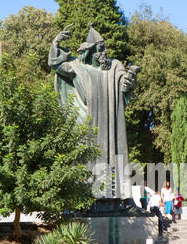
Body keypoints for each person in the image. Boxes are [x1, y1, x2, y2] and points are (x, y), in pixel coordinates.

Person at [48, 25, 139, 198]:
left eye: (104, 48)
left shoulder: (114, 66)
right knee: (87, 159)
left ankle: (120, 199)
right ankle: (87, 198)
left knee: (116, 158)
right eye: (100, 49)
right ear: (90, 52)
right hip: (89, 123)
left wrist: (130, 78)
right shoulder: (77, 68)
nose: (104, 52)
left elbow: (124, 86)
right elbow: (55, 64)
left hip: (112, 124)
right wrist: (56, 42)